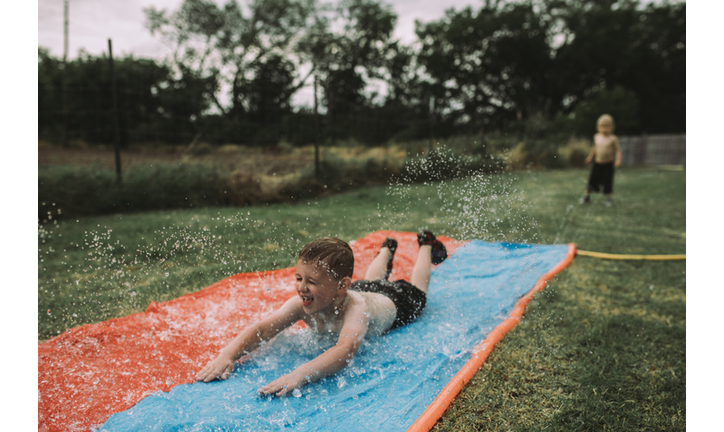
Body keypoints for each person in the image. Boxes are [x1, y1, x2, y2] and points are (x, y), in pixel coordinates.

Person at [195, 231, 448, 396]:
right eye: (298, 278)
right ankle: (386, 249)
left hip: (397, 302)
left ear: (341, 286)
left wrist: (299, 375)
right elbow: (263, 329)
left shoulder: (355, 309)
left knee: (418, 289)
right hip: (364, 289)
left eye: (311, 281)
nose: (301, 287)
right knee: (372, 280)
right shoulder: (310, 300)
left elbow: (343, 351)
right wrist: (227, 355)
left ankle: (425, 244)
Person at [580, 114, 622, 206]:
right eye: (603, 126)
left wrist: (618, 160)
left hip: (608, 164)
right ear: (598, 127)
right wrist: (590, 158)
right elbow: (594, 148)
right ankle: (587, 196)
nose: (605, 128)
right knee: (592, 180)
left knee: (608, 181)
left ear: (612, 127)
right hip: (597, 163)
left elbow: (618, 150)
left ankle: (609, 199)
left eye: (607, 126)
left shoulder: (612, 138)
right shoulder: (597, 137)